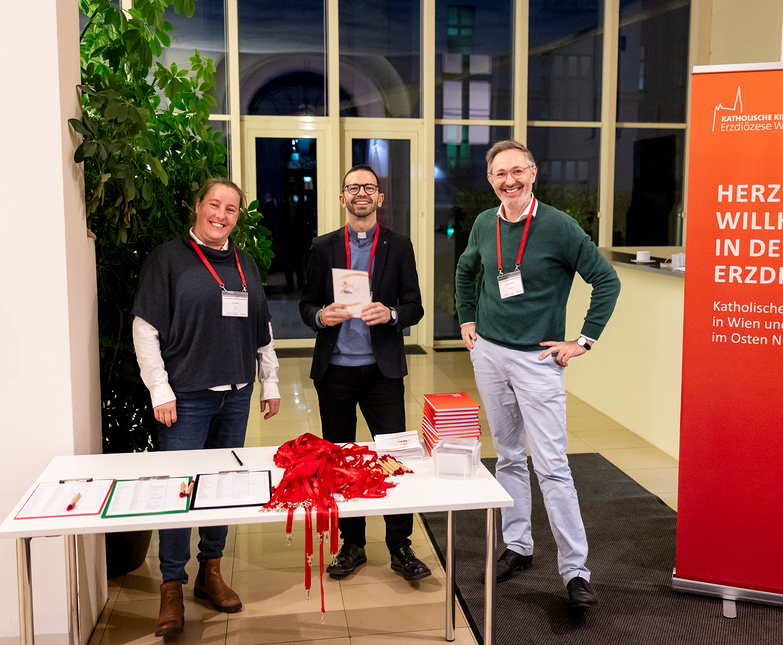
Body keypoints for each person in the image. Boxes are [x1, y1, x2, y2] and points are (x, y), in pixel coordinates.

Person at [454, 140, 620, 611]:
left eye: (517, 171)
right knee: (508, 456)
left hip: (538, 360)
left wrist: (583, 340)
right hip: (489, 354)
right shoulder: (485, 223)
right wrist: (467, 318)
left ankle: (576, 571)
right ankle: (518, 546)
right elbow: (466, 271)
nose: (509, 181)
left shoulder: (558, 226)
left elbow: (606, 280)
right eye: (500, 174)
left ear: (533, 173)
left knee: (552, 466)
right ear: (491, 180)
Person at [132, 178, 281, 636]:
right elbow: (144, 328)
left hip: (236, 395)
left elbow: (262, 328)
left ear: (238, 217)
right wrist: (160, 389)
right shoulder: (168, 260)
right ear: (197, 207)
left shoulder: (245, 262)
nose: (221, 215)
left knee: (222, 487)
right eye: (214, 205)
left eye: (231, 209)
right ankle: (171, 585)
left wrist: (270, 381)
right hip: (186, 398)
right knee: (178, 491)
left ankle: (210, 571)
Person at [299, 164, 431, 582]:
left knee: (393, 459)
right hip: (334, 373)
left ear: (380, 197)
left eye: (369, 187)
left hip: (382, 374)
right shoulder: (323, 246)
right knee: (341, 462)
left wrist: (390, 314)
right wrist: (321, 316)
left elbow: (414, 305)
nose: (361, 193)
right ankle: (352, 543)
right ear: (342, 198)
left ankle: (400, 545)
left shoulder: (399, 245)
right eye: (353, 187)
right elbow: (305, 305)